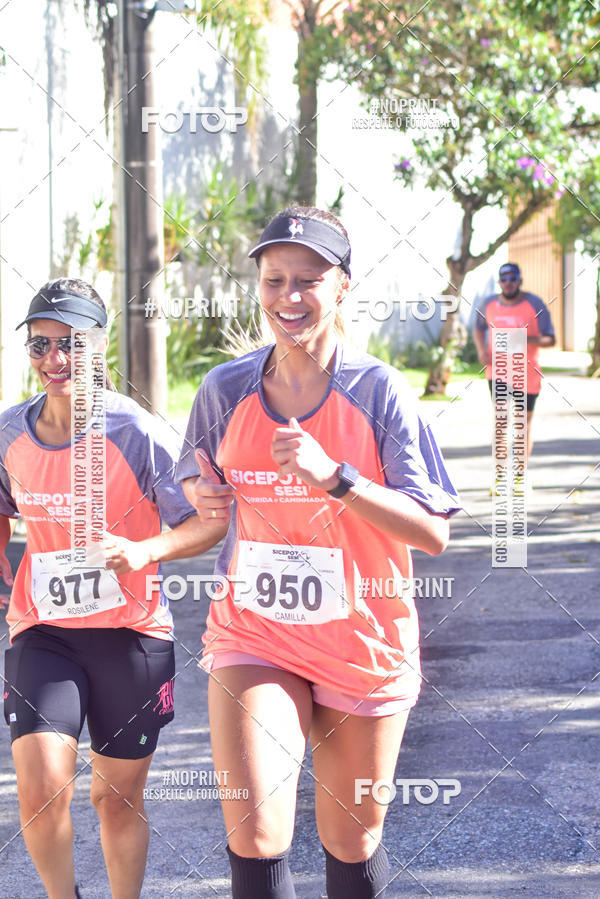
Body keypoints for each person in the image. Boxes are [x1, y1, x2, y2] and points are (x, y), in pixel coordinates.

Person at [177, 206, 460, 898]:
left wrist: (338, 478)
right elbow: (198, 480)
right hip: (256, 632)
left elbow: (430, 531)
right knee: (256, 832)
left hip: (361, 638)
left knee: (351, 837)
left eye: (308, 279)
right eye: (274, 280)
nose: (289, 297)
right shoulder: (225, 388)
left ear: (342, 288)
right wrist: (201, 494)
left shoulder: (381, 391)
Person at [0, 279, 222, 899]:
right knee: (44, 789)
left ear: (100, 347)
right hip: (44, 634)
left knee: (116, 798)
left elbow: (206, 522)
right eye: (40, 344)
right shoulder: (8, 433)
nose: (55, 360)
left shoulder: (137, 432)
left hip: (131, 636)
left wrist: (145, 551)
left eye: (71, 343)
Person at [473, 262, 556, 468]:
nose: (508, 283)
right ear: (499, 282)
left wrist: (522, 339)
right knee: (501, 422)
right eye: (504, 279)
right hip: (498, 371)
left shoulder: (535, 304)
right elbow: (478, 327)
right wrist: (482, 350)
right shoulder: (488, 304)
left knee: (522, 425)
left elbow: (550, 339)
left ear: (519, 280)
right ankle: (500, 474)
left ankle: (520, 474)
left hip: (526, 373)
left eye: (513, 279)